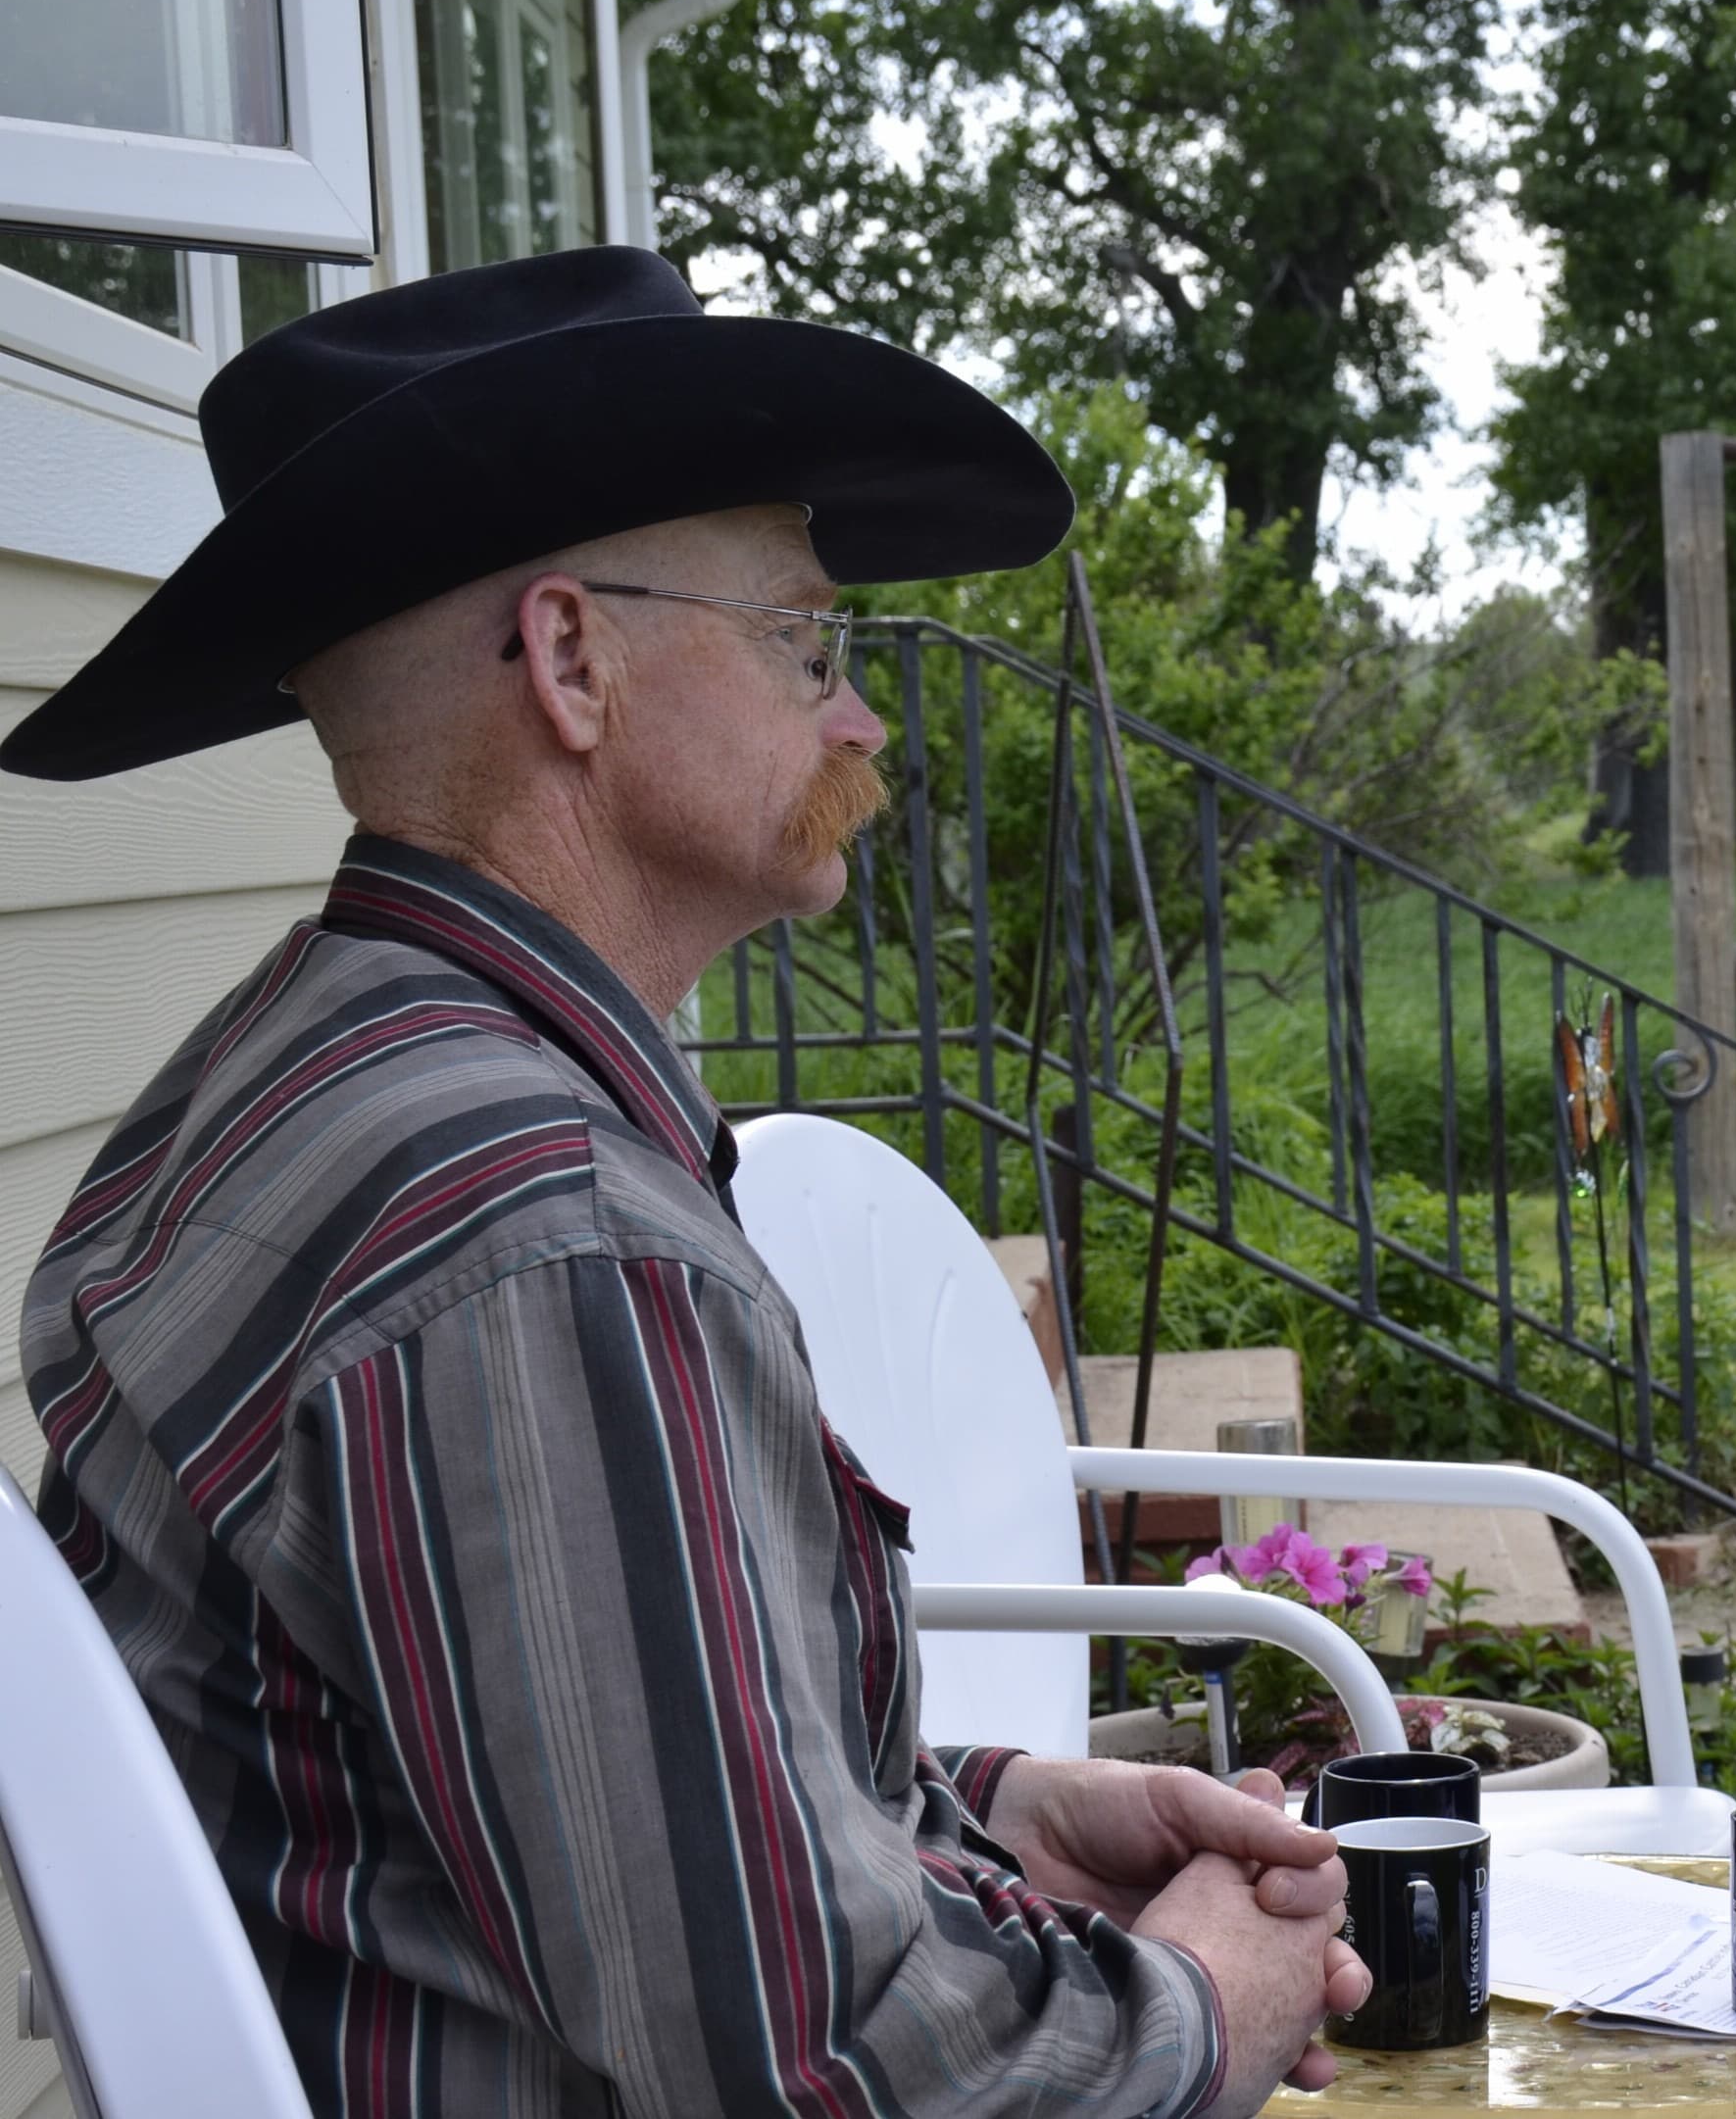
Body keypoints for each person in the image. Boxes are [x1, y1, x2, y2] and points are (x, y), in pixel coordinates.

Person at [11, 249, 1367, 2119]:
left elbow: (484, 1808)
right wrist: (1214, 2002)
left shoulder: (303, 1078)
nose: (859, 718)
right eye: (807, 642)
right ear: (575, 662)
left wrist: (988, 1812)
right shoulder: (532, 1234)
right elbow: (818, 2077)